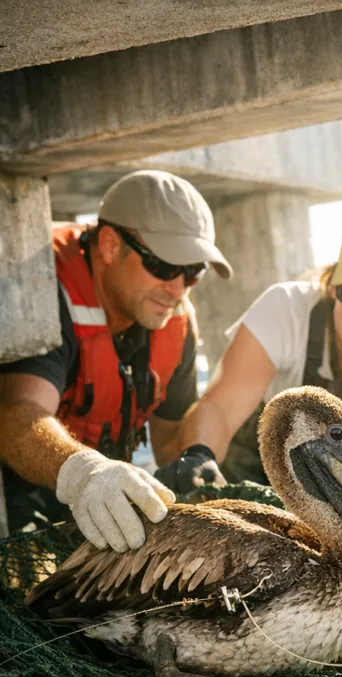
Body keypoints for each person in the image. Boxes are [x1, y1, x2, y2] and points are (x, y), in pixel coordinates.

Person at [156, 212, 342, 518]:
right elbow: (220, 408)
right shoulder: (284, 309)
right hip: (261, 478)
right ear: (333, 284)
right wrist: (199, 455)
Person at [0, 170, 232, 552]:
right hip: (23, 494)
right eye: (164, 265)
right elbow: (14, 414)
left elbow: (169, 443)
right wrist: (83, 472)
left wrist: (194, 460)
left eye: (194, 272)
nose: (177, 289)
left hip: (102, 496)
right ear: (109, 245)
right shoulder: (47, 292)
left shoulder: (175, 319)